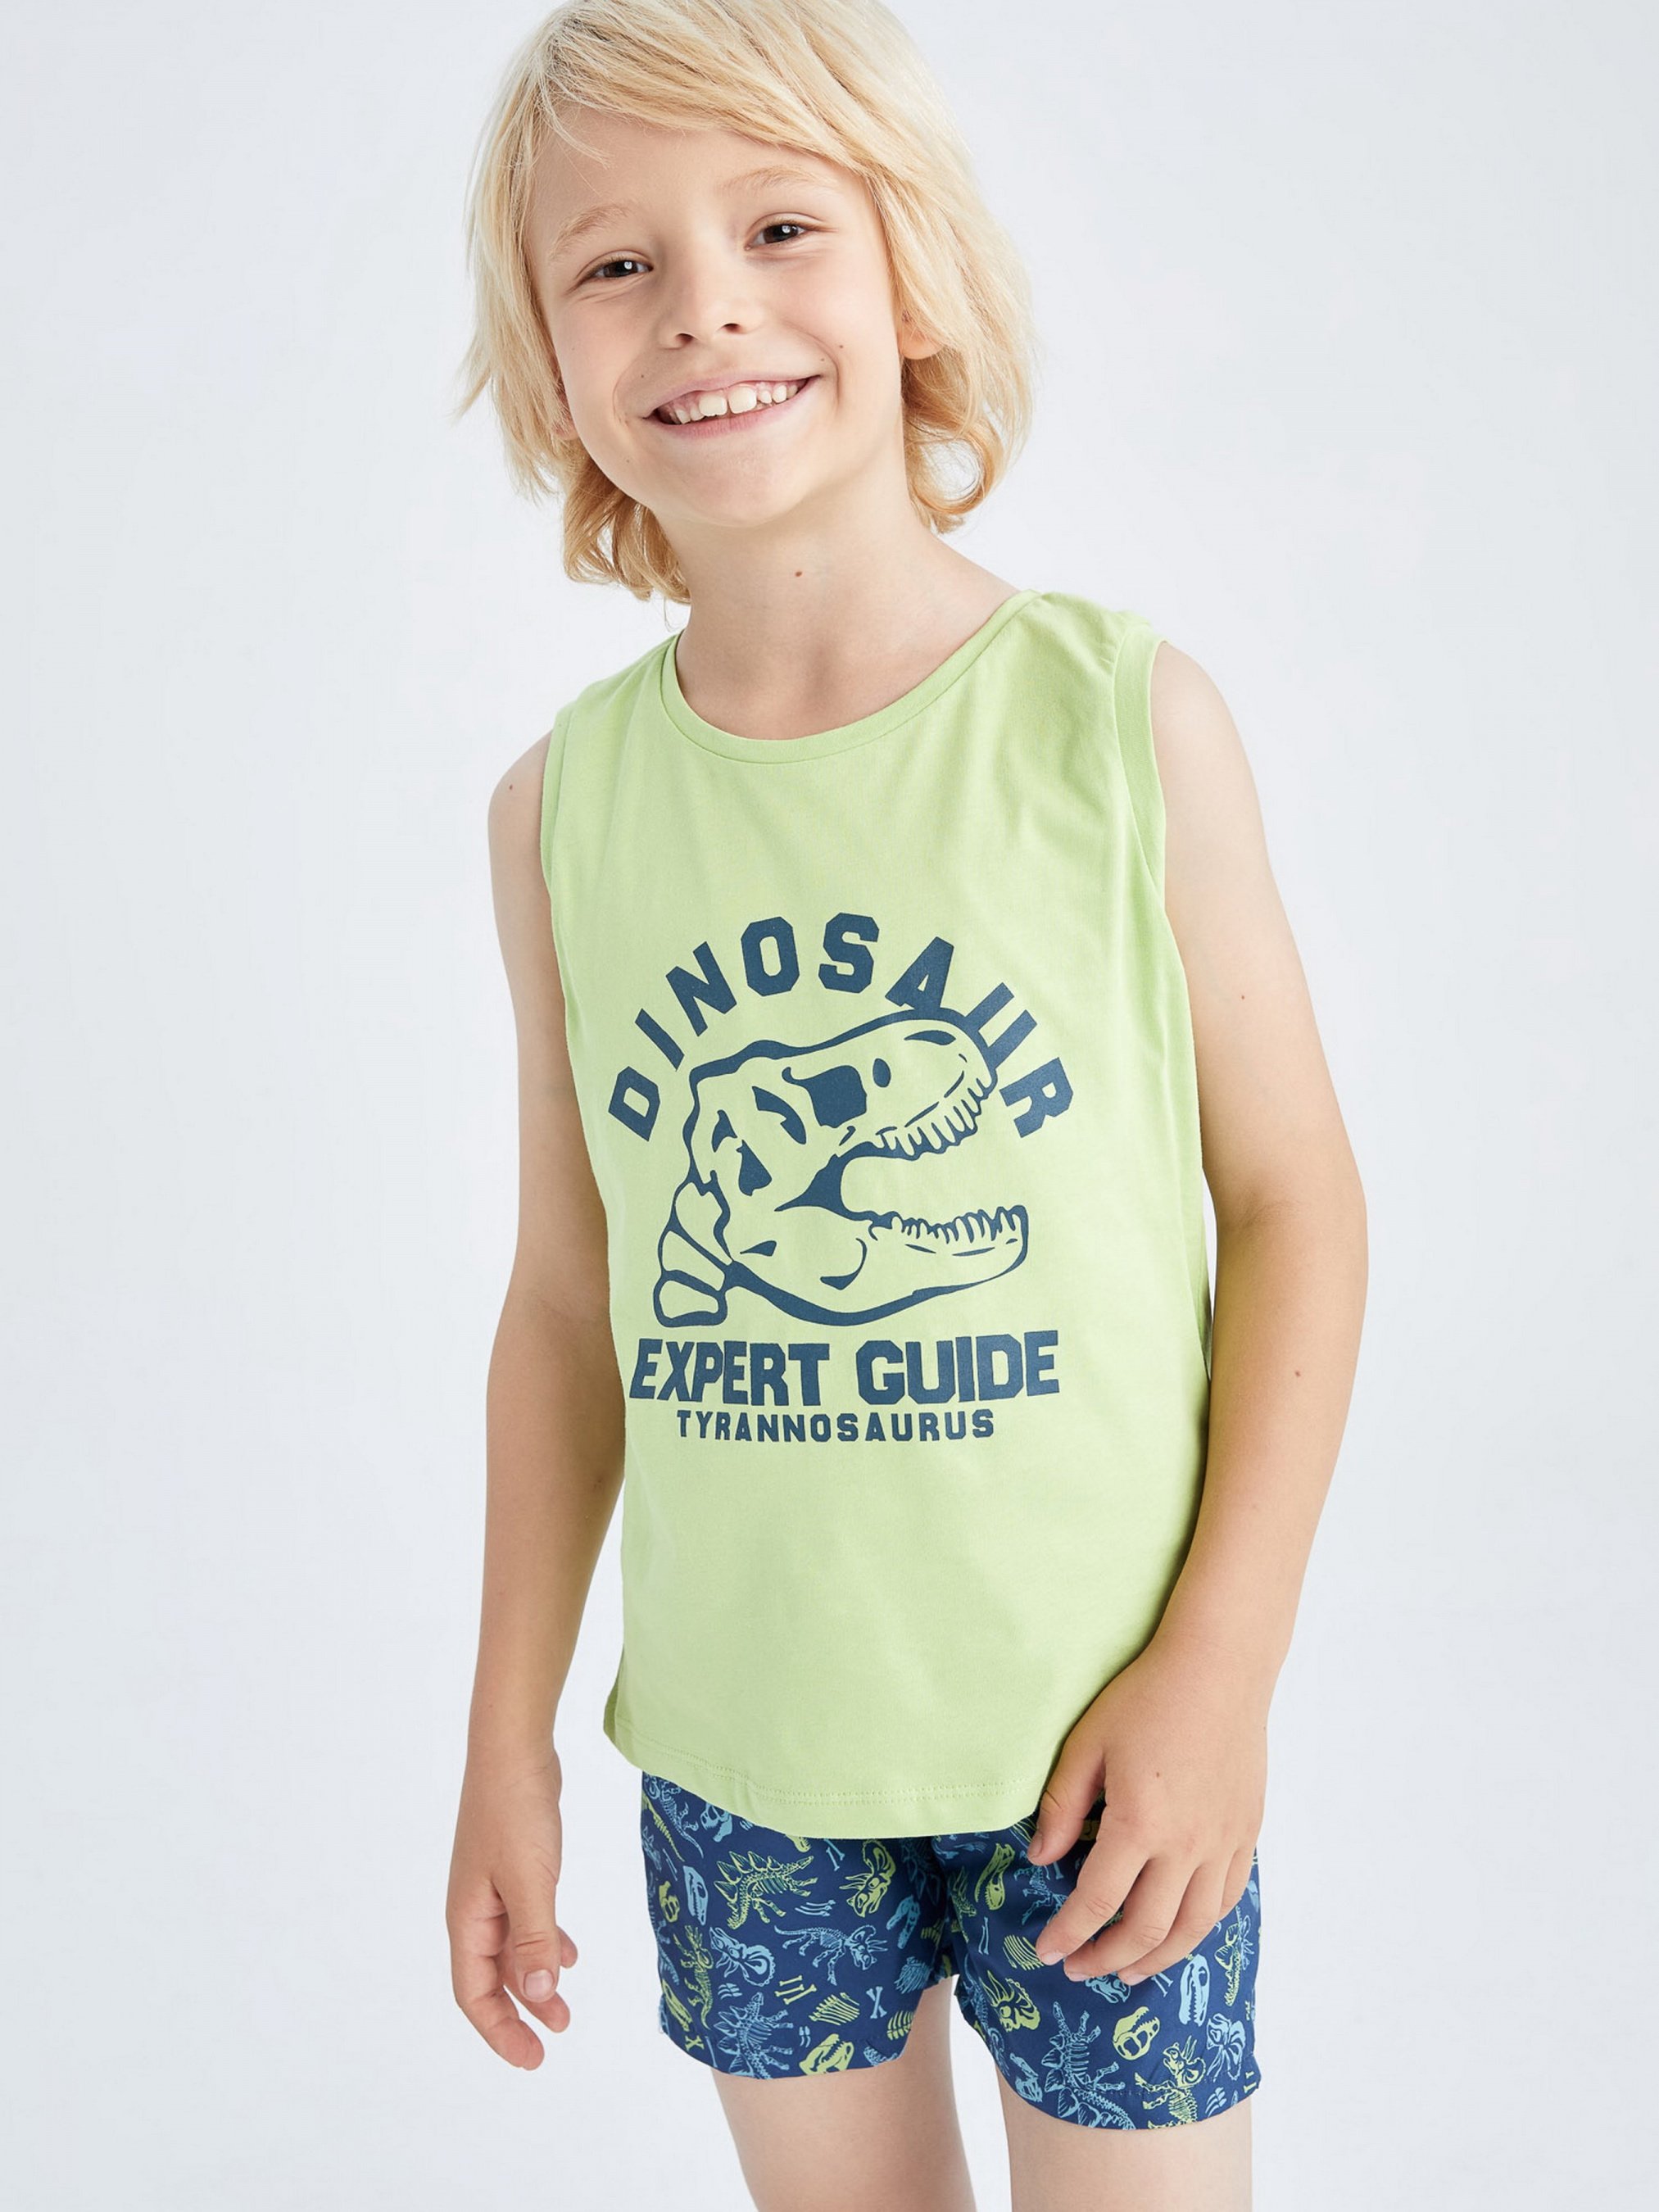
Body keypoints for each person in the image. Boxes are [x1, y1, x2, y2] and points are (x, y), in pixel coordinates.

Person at [444, 2, 1368, 2205]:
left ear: (912, 272)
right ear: (554, 360)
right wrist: (505, 1735)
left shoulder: (1119, 722)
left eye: (779, 226)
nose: (706, 307)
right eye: (615, 264)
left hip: (1106, 1750)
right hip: (744, 1760)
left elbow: (1295, 1202)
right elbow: (570, 1303)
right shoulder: (561, 811)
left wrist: (1222, 1669)